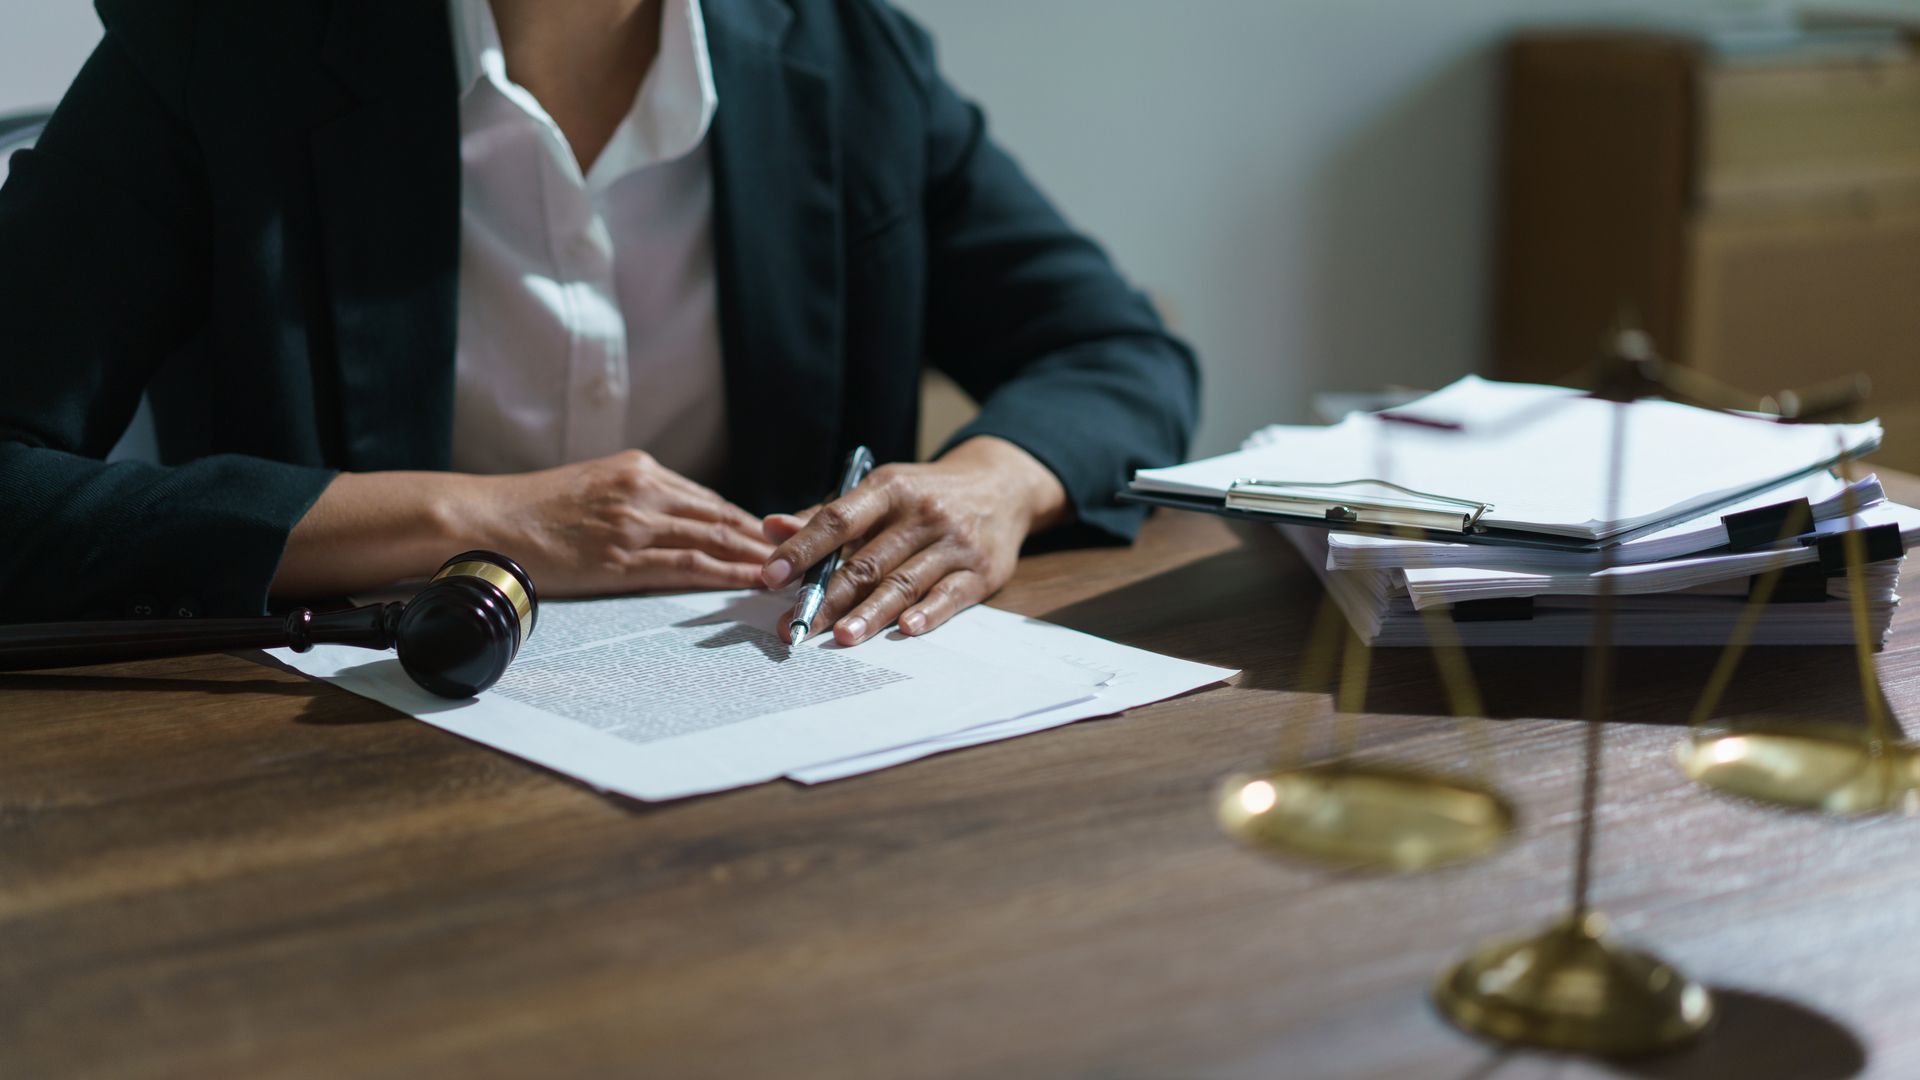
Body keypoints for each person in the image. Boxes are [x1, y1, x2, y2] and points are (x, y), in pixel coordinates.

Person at [0, 0, 1197, 645]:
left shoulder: (847, 53)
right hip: (344, 771)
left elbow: (1117, 350)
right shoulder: (213, 45)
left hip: (774, 767)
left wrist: (993, 485)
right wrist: (482, 516)